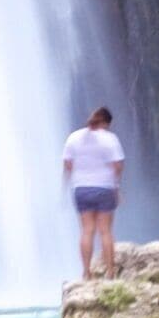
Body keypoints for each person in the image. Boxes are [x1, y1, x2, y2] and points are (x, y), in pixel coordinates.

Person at [61, 104, 126, 276]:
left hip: (81, 189)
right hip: (105, 188)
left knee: (87, 230)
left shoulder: (73, 137)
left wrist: (67, 183)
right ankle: (111, 271)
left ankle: (86, 272)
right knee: (105, 230)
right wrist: (117, 187)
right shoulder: (110, 139)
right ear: (106, 123)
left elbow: (67, 164)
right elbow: (118, 166)